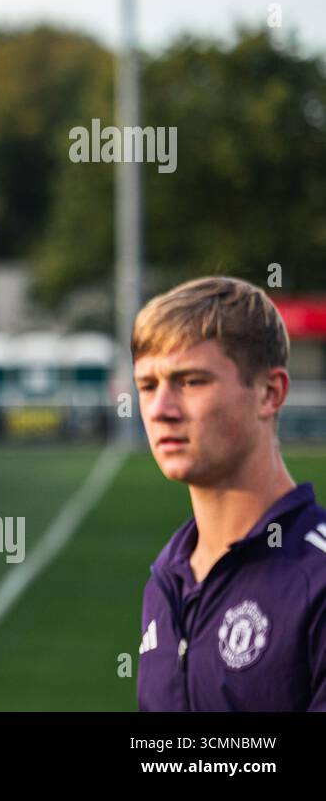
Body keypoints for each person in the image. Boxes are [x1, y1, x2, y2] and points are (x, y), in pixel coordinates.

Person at [133, 276, 326, 711]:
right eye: (147, 385)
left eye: (191, 381)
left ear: (269, 393)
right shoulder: (168, 578)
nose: (161, 410)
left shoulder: (317, 576)